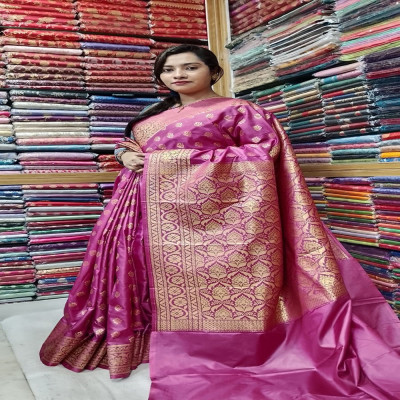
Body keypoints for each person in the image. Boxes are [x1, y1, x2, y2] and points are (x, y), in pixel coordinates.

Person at [40, 45, 400, 399]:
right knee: (139, 272)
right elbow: (128, 144)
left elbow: (263, 153)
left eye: (189, 67)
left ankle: (219, 348)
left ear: (213, 72)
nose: (178, 75)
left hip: (207, 216)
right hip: (139, 209)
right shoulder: (152, 117)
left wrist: (168, 162)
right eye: (168, 70)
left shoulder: (239, 110)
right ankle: (144, 341)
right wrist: (124, 155)